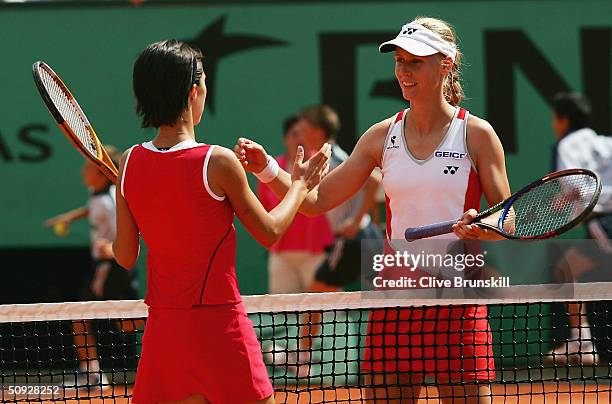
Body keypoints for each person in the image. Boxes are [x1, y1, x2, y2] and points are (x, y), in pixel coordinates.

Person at [235, 16, 511, 403]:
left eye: (415, 61)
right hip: (395, 300)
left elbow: (507, 215)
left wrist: (482, 225)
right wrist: (267, 168)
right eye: (400, 60)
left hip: (457, 300)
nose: (404, 71)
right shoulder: (381, 136)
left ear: (445, 63)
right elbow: (315, 202)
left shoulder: (477, 134)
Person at [112, 39, 330, 404]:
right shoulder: (218, 161)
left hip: (166, 330)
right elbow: (270, 231)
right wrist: (300, 184)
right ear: (194, 91)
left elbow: (124, 255)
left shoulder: (129, 163)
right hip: (220, 326)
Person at [269, 104, 383, 377]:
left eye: (305, 128)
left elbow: (374, 181)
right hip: (364, 237)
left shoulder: (334, 159)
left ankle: (303, 355)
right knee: (380, 299)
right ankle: (305, 354)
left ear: (319, 131)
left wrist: (356, 221)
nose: (299, 133)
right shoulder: (325, 157)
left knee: (316, 292)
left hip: (355, 239)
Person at [44, 145, 141, 389]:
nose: (83, 171)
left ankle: (172, 326)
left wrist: (110, 248)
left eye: (88, 167)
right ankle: (93, 373)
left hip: (114, 268)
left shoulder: (110, 203)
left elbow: (130, 234)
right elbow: (91, 208)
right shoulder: (97, 194)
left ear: (101, 174)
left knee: (126, 323)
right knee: (83, 315)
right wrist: (70, 217)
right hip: (103, 267)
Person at [545, 91, 612, 366]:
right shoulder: (606, 142)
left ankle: (583, 343)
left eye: (554, 119)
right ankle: (582, 341)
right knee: (567, 270)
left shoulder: (566, 145)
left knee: (564, 271)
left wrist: (563, 199)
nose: (553, 125)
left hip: (603, 222)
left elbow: (577, 185)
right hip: (601, 224)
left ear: (563, 119)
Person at [257, 115, 334, 295]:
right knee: (281, 315)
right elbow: (264, 207)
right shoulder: (271, 169)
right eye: (294, 134)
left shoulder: (322, 163)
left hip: (316, 253)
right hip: (282, 255)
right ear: (286, 139)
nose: (300, 139)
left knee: (321, 312)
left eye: (304, 134)